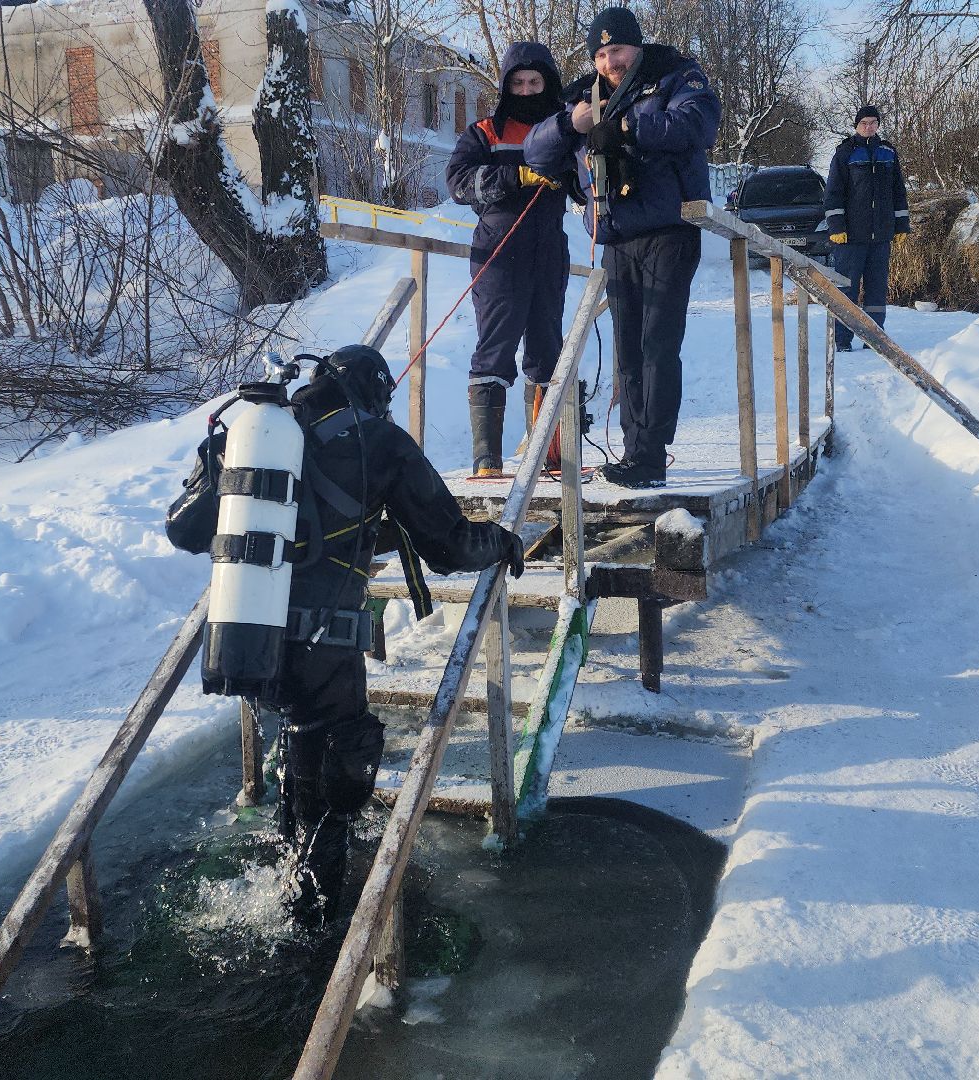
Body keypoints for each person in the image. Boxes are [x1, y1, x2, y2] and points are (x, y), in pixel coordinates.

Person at [164, 345, 525, 925]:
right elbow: (450, 545)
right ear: (373, 392)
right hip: (325, 650)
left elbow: (185, 529)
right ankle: (316, 930)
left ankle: (286, 895)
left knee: (298, 765)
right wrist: (501, 541)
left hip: (248, 636)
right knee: (334, 788)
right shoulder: (377, 443)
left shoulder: (261, 432)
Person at [524, 6, 720, 489]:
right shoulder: (583, 97)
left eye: (618, 50)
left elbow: (697, 127)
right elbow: (536, 151)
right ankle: (635, 451)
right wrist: (572, 124)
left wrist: (629, 127)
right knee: (626, 349)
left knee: (657, 341)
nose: (610, 61)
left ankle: (650, 456)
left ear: (637, 47)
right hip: (615, 235)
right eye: (602, 53)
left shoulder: (674, 75)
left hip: (669, 229)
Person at [445, 43, 573, 478]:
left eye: (534, 82)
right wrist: (514, 175)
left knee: (547, 352)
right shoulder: (484, 132)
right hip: (499, 252)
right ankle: (487, 461)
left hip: (549, 250)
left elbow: (584, 181)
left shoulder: (563, 128)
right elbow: (459, 184)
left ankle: (547, 455)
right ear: (505, 85)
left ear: (547, 83)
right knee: (495, 349)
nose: (526, 89)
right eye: (517, 82)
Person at [822, 104, 909, 352]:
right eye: (864, 123)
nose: (868, 127)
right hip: (850, 237)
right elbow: (833, 194)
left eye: (873, 122)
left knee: (876, 290)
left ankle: (874, 337)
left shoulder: (888, 152)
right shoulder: (845, 153)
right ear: (856, 126)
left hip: (881, 236)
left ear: (878, 125)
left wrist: (902, 224)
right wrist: (836, 226)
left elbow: (898, 192)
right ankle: (843, 339)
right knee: (847, 289)